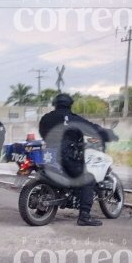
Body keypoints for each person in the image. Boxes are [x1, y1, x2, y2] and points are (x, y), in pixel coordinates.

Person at [39, 93, 116, 226]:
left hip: (49, 155)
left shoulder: (46, 118)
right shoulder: (74, 119)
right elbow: (92, 129)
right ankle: (84, 216)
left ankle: (42, 208)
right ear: (70, 104)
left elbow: (43, 132)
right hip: (66, 155)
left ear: (55, 104)